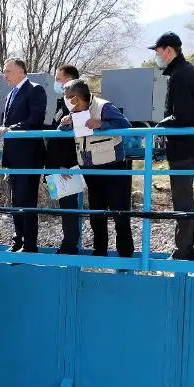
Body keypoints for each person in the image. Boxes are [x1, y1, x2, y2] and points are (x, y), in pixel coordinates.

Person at [149, 31, 194, 261]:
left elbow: (180, 116)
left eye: (158, 50)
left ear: (169, 50)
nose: (156, 55)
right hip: (187, 146)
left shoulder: (181, 75)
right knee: (184, 199)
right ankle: (185, 248)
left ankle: (183, 250)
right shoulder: (184, 71)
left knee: (182, 200)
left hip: (184, 148)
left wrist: (158, 126)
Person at [59, 79, 134, 258]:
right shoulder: (72, 112)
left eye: (69, 98)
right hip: (90, 170)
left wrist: (102, 124)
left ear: (77, 97)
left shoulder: (104, 107)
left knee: (119, 212)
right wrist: (65, 123)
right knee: (96, 213)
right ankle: (99, 251)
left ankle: (125, 253)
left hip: (113, 167)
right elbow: (61, 130)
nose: (67, 102)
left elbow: (126, 126)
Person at [0, 58, 47, 253]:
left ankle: (30, 244)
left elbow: (36, 119)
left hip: (29, 155)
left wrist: (11, 128)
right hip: (13, 156)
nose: (5, 75)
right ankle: (18, 240)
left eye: (8, 71)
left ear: (21, 71)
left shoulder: (35, 90)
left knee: (27, 200)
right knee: (15, 200)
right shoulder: (11, 94)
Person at [45, 64, 81, 255]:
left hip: (66, 165)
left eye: (59, 79)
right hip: (54, 164)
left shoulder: (78, 104)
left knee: (69, 204)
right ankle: (67, 242)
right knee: (63, 203)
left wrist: (66, 164)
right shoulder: (62, 103)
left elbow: (73, 138)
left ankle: (70, 244)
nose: (56, 83)